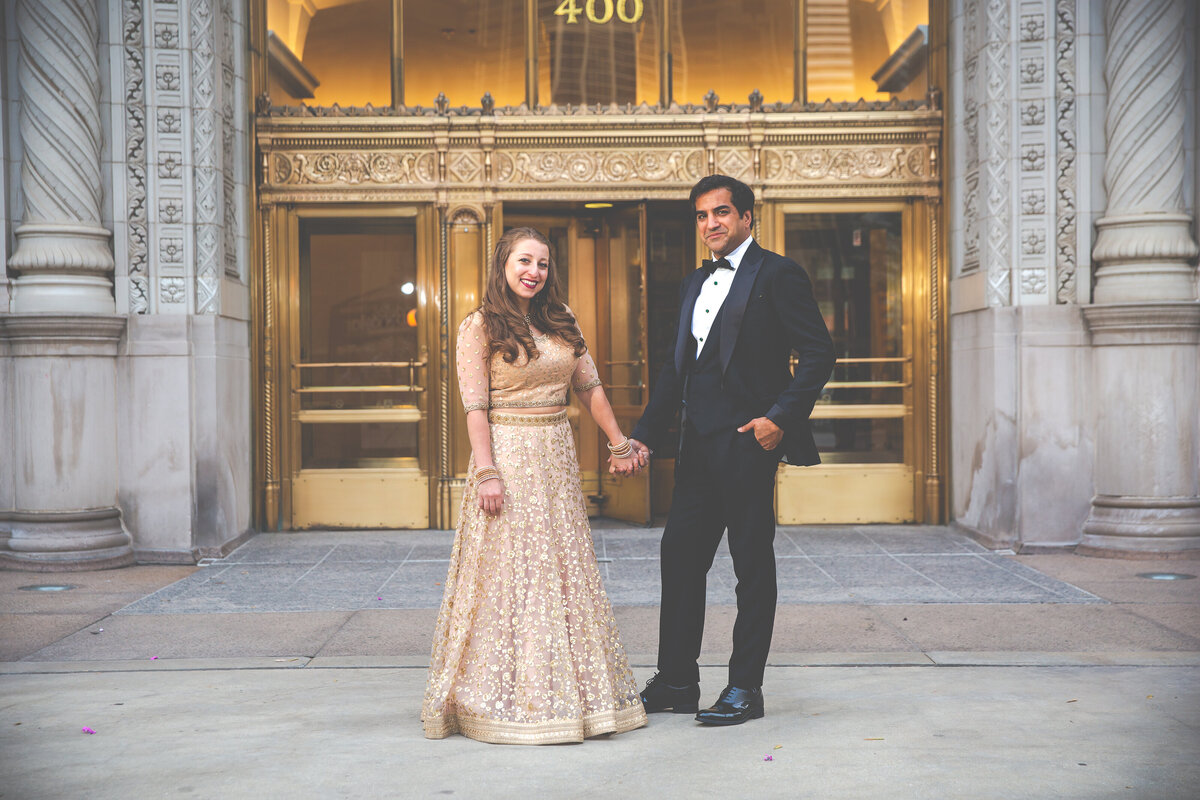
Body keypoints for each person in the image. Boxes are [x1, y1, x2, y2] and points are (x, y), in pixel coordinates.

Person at [421, 226, 648, 745]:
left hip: (556, 456)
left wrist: (618, 442)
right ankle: (507, 697)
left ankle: (571, 694)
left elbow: (589, 387)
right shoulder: (479, 326)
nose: (534, 272)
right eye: (525, 261)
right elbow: (475, 409)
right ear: (504, 264)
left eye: (543, 264)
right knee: (512, 573)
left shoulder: (561, 321)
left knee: (563, 571)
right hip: (509, 455)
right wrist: (487, 472)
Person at [624, 175, 835, 726]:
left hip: (749, 445)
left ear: (747, 217)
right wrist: (643, 435)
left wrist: (779, 420)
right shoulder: (694, 282)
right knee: (680, 560)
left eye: (721, 213)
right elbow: (678, 373)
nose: (710, 224)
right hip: (697, 449)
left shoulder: (780, 274)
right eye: (701, 215)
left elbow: (819, 353)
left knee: (751, 568)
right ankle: (676, 680)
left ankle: (746, 689)